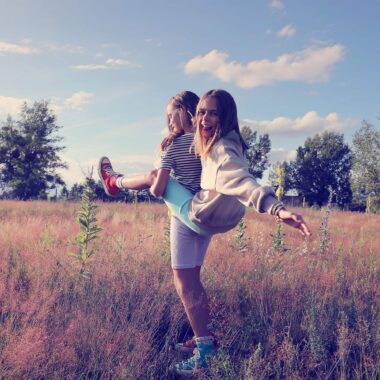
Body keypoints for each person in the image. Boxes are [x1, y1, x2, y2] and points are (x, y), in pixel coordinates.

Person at [100, 89, 311, 376]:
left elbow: (237, 180)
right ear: (194, 114)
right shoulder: (212, 143)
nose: (205, 119)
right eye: (202, 112)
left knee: (184, 282)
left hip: (194, 215)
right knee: (194, 281)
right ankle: (204, 337)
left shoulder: (217, 149)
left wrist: (276, 208)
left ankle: (114, 182)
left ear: (224, 116)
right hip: (214, 220)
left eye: (212, 113)